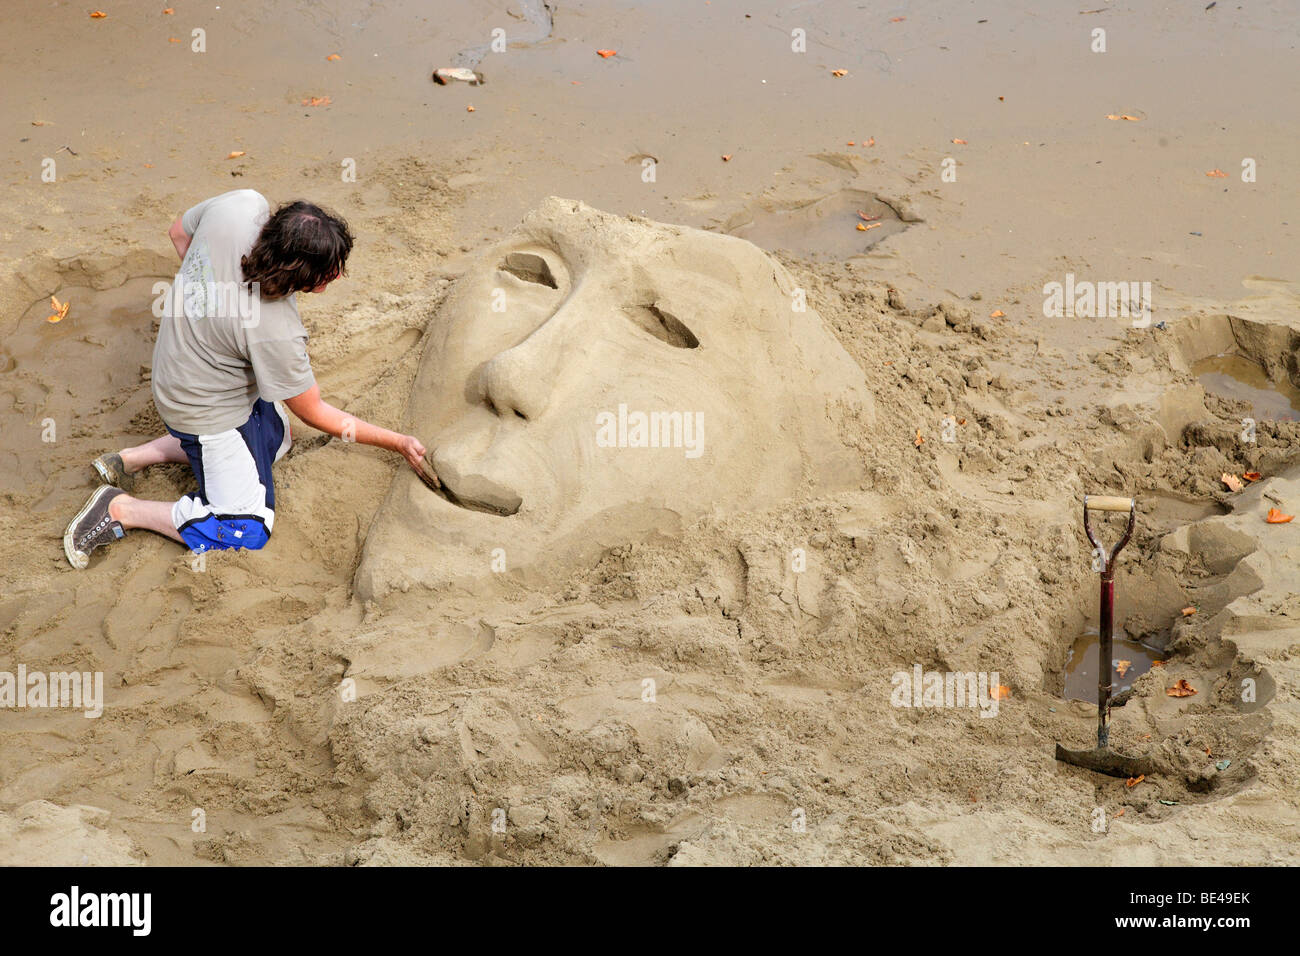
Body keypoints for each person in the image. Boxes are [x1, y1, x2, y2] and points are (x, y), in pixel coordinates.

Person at [63, 189, 429, 568]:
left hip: (178, 356)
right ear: (305, 275)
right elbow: (314, 412)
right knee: (244, 529)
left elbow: (178, 233)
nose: (337, 274)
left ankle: (136, 458)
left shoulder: (242, 205)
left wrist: (209, 307)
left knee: (278, 435)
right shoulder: (274, 330)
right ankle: (122, 508)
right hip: (201, 407)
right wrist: (397, 441)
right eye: (330, 269)